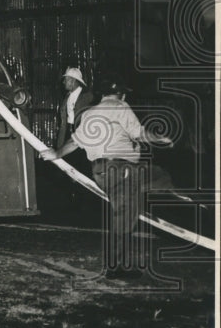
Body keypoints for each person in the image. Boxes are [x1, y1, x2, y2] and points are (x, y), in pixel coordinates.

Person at [41, 76, 173, 277]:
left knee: (131, 204)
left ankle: (162, 191)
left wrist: (56, 153)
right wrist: (160, 138)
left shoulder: (90, 113)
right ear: (122, 94)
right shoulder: (121, 106)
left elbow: (74, 142)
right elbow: (139, 133)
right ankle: (116, 267)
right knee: (131, 206)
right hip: (121, 168)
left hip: (101, 171)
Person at [56, 67, 95, 149]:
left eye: (66, 80)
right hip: (68, 134)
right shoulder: (67, 97)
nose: (63, 82)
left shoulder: (87, 97)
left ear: (72, 81)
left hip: (80, 135)